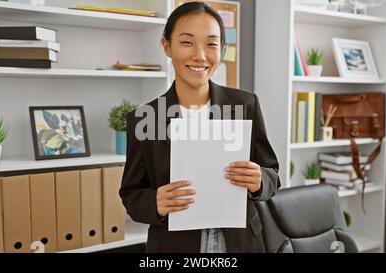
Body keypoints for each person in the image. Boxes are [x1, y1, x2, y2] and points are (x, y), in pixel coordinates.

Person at [119, 2, 280, 253]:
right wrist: (155, 203)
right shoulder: (144, 118)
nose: (200, 55)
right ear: (167, 46)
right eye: (187, 42)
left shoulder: (246, 105)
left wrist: (260, 180)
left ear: (221, 49)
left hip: (241, 243)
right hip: (174, 246)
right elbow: (131, 194)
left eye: (211, 44)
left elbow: (273, 175)